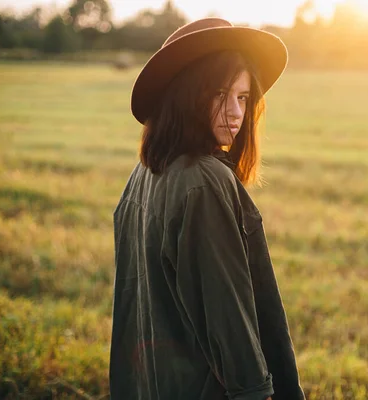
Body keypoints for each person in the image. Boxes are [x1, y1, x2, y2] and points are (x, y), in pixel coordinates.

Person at [110, 18, 305, 400]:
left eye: (243, 97)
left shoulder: (143, 174)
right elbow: (227, 312)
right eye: (219, 95)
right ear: (185, 96)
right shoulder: (204, 179)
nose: (235, 113)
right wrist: (255, 391)